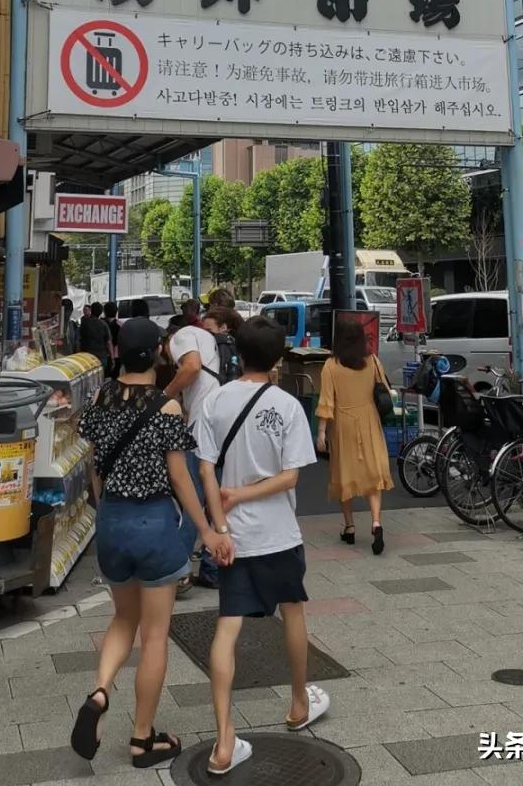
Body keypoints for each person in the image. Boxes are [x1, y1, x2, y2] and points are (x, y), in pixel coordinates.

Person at [72, 317, 232, 767]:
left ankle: (100, 692)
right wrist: (206, 531)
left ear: (118, 353)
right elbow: (180, 478)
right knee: (155, 635)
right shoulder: (167, 407)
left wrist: (106, 509)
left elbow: (94, 468)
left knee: (123, 619)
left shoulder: (100, 399)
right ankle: (142, 739)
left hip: (112, 523)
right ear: (159, 354)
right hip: (155, 526)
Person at [196, 317, 329, 775]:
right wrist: (245, 493)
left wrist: (220, 523)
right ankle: (299, 702)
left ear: (237, 353)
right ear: (278, 357)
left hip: (233, 536)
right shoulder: (287, 405)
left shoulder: (215, 400)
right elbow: (291, 477)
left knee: (227, 627)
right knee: (293, 610)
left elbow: (205, 469)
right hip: (279, 534)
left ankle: (223, 742)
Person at [167, 304, 243, 588]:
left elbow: (191, 367)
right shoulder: (221, 346)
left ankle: (178, 570)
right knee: (218, 498)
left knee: (193, 499)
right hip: (229, 426)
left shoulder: (183, 336)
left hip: (203, 429)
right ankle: (213, 568)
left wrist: (164, 395)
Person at [316, 317, 392, 554]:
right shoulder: (372, 361)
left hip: (343, 423)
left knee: (344, 473)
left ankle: (349, 526)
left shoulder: (331, 365)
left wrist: (321, 432)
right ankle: (376, 522)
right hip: (369, 419)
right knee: (373, 471)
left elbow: (326, 402)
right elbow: (385, 388)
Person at [79, 300, 114, 368]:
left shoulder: (84, 324)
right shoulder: (104, 324)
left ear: (91, 310)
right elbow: (109, 342)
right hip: (101, 357)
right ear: (101, 312)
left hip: (86, 357)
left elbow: (79, 340)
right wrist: (112, 358)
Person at [104, 301, 121, 376]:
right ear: (116, 312)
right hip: (116, 354)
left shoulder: (101, 324)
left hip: (103, 355)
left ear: (105, 312)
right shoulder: (120, 325)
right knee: (115, 376)